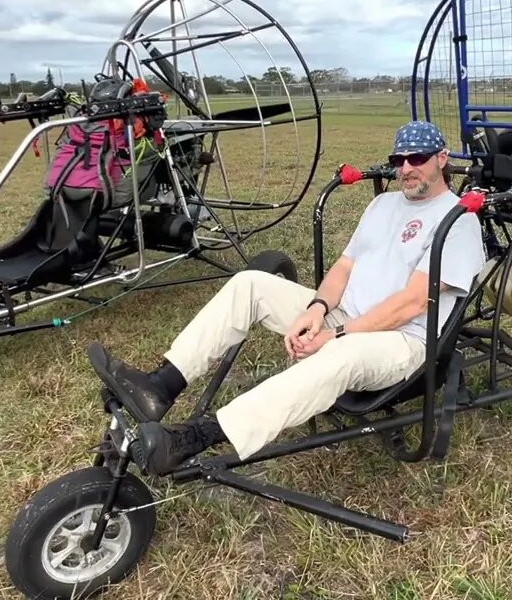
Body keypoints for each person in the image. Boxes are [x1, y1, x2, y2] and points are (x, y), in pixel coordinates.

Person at [88, 120, 486, 473]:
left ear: (441, 158)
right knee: (251, 284)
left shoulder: (458, 220)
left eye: (417, 158)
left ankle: (197, 436)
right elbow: (345, 267)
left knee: (338, 355)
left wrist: (338, 335)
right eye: (399, 159)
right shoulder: (383, 204)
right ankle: (161, 386)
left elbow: (412, 304)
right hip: (346, 317)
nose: (406, 168)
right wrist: (317, 309)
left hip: (401, 342)